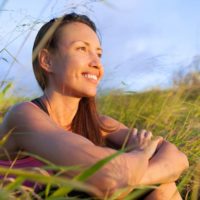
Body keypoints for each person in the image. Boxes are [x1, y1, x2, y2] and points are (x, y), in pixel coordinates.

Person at [0, 13, 189, 199]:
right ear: (47, 61)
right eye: (82, 49)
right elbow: (110, 177)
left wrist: (133, 177)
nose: (96, 63)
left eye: (98, 54)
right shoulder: (23, 116)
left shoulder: (100, 125)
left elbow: (177, 158)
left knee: (164, 187)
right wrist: (140, 154)